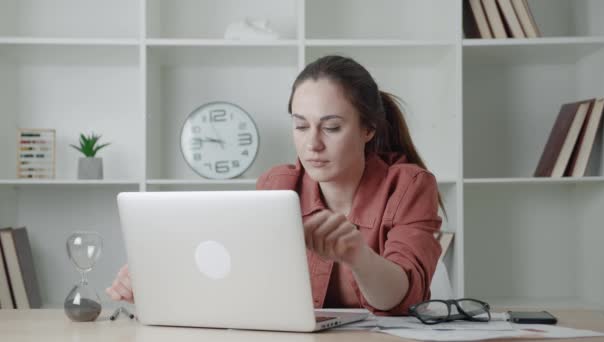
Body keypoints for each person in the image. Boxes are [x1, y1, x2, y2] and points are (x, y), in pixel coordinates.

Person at [106, 55, 444, 315]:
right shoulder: (278, 185)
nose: (312, 144)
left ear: (368, 129)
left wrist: (358, 256)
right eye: (301, 126)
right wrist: (157, 281)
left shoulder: (409, 185)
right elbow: (241, 278)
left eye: (332, 127)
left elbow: (405, 298)